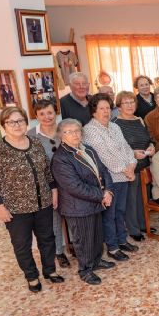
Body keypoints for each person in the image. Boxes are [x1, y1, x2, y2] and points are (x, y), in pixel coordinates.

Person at [0, 107, 64, 292]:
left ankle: (50, 271)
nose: (17, 125)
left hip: (43, 202)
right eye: (11, 122)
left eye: (20, 120)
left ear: (26, 122)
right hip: (16, 209)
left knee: (47, 238)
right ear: (4, 126)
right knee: (22, 244)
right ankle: (32, 277)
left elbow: (46, 171)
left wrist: (53, 191)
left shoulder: (35, 143)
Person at [51, 119, 116, 285]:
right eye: (69, 132)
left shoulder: (88, 149)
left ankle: (96, 260)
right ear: (61, 136)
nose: (75, 134)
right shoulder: (61, 158)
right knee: (83, 239)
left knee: (96, 235)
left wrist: (108, 190)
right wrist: (101, 194)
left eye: (77, 130)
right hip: (77, 206)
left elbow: (104, 171)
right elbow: (75, 187)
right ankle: (85, 269)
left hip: (94, 201)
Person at [83, 94, 139, 262]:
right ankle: (113, 248)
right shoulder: (89, 130)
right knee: (110, 214)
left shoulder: (115, 127)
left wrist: (132, 164)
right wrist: (125, 170)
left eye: (108, 108)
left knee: (120, 211)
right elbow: (103, 156)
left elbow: (126, 147)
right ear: (94, 111)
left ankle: (122, 240)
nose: (106, 111)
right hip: (108, 179)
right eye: (101, 108)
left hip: (124, 175)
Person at [27, 100, 69, 268]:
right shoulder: (31, 135)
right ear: (36, 116)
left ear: (55, 113)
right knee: (54, 220)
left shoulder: (65, 130)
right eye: (42, 114)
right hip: (48, 186)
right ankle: (59, 252)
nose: (46, 117)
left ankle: (75, 246)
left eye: (50, 112)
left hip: (68, 182)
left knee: (74, 216)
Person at [113, 91, 156, 242]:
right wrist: (132, 153)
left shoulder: (139, 120)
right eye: (126, 103)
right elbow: (116, 149)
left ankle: (143, 224)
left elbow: (148, 139)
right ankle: (133, 229)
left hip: (144, 165)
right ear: (119, 106)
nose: (130, 105)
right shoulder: (115, 124)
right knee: (131, 200)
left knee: (143, 198)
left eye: (132, 102)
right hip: (129, 168)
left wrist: (151, 147)